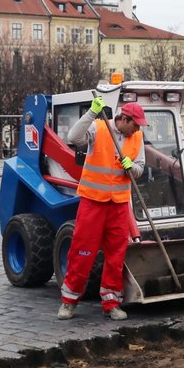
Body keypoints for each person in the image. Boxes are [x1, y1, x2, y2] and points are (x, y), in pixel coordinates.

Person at [58, 98, 146, 321]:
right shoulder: (99, 128)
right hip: (93, 202)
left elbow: (140, 169)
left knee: (116, 256)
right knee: (82, 252)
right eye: (135, 124)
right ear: (124, 119)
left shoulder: (137, 137)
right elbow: (73, 138)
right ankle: (69, 301)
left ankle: (111, 303)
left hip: (118, 205)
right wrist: (91, 113)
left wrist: (131, 167)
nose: (137, 129)